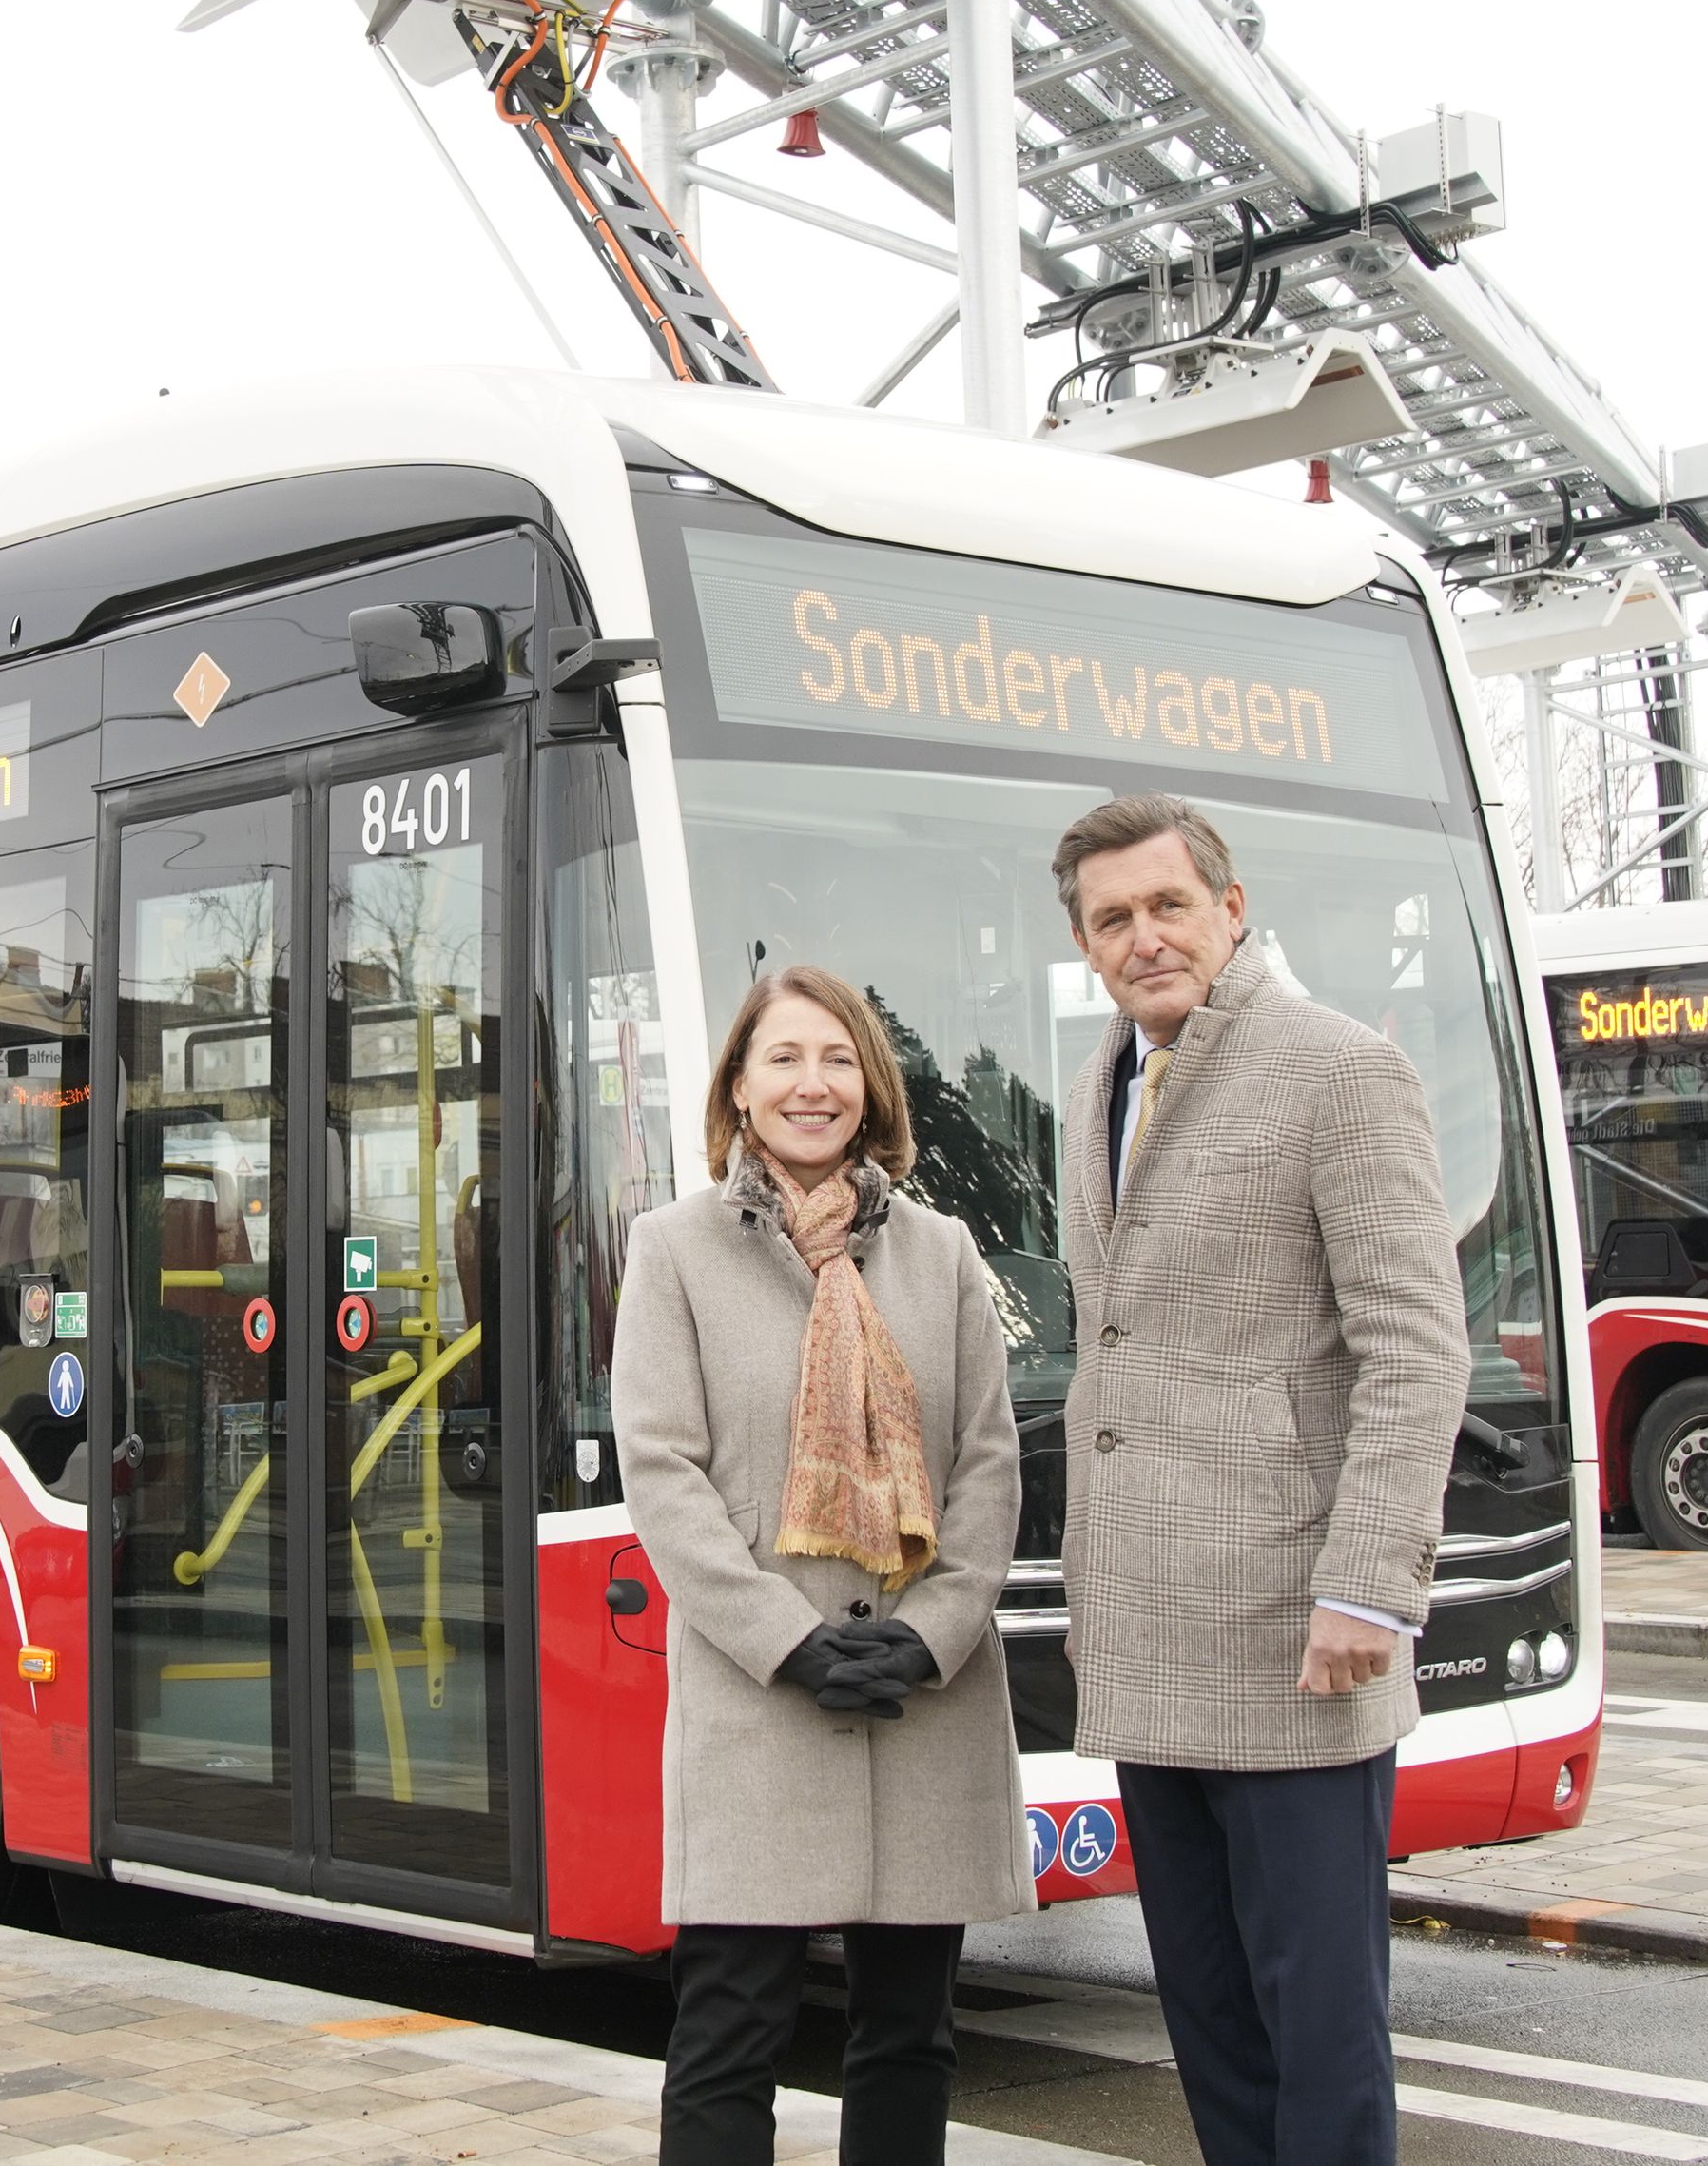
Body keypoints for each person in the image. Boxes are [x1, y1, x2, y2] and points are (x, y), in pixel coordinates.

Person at [1052, 793, 1468, 2166]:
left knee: (1320, 2023)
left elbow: (1414, 1348)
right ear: (1085, 942)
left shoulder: (1338, 1069)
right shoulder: (1098, 1083)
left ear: (1231, 908)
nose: (1144, 936)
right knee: (1211, 2016)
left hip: (1301, 1633)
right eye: (1112, 917)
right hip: (1151, 1629)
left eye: (1169, 904)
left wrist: (1370, 1580)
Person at [615, 964, 1030, 2166]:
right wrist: (785, 1642)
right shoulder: (673, 1250)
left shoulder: (944, 1254)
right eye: (784, 1058)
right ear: (738, 1087)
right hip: (759, 1706)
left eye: (838, 1058)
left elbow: (986, 1468)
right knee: (729, 2034)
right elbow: (663, 1473)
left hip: (922, 1703)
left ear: (872, 1086)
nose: (813, 1083)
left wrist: (930, 1632)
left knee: (910, 2037)